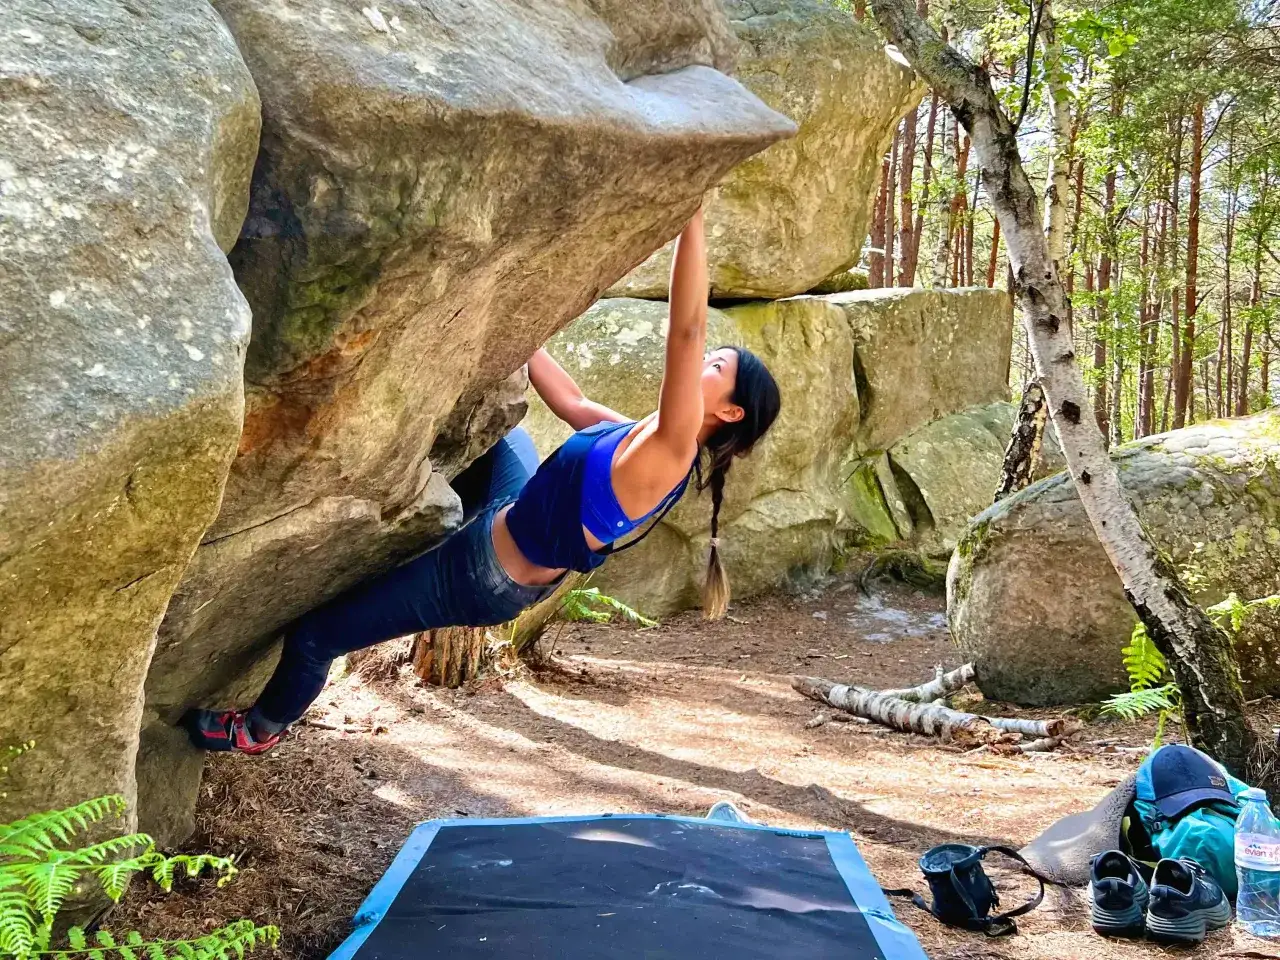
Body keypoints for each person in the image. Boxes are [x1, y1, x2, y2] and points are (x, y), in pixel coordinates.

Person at [185, 207, 782, 754]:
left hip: (481, 576)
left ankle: (259, 729)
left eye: (716, 368)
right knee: (501, 435)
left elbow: (685, 331)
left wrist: (692, 214)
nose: (703, 363)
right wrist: (516, 331)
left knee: (317, 637)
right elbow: (571, 402)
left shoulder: (670, 452)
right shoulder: (641, 433)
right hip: (511, 509)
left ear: (730, 412)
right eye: (711, 359)